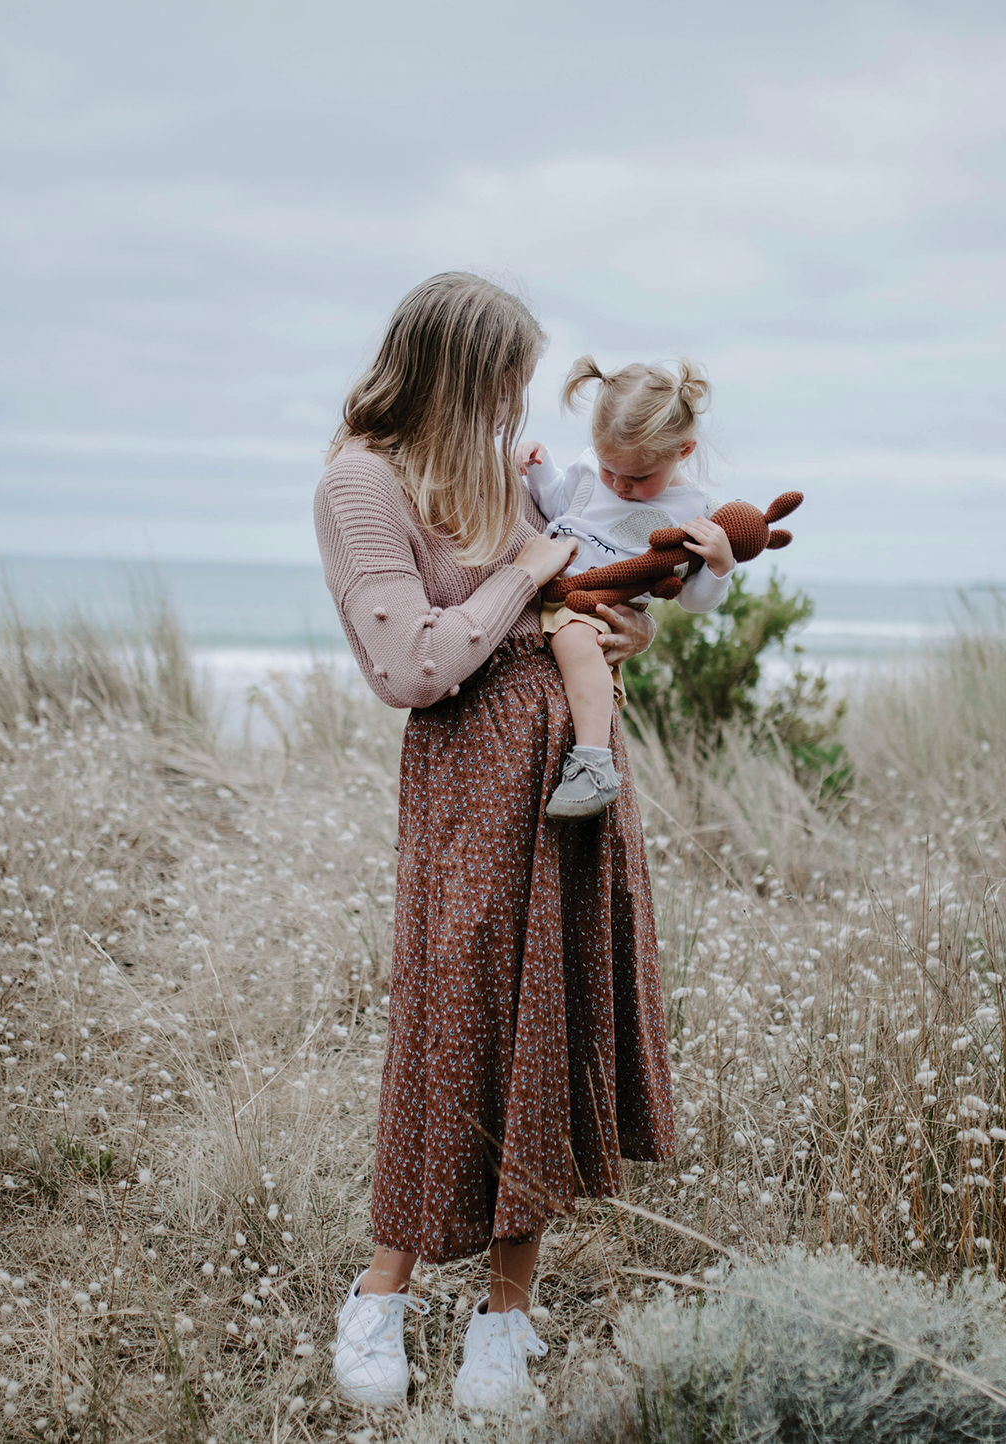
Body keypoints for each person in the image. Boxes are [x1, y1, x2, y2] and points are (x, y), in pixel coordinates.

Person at [312, 274, 678, 1412]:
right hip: (468, 785)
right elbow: (413, 663)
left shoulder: (498, 471)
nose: (516, 405)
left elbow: (572, 605)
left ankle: (506, 1315)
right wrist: (528, 571)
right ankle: (382, 1291)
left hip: (571, 778)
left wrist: (621, 623)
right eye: (502, 381)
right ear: (454, 372)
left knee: (545, 1023)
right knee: (452, 1019)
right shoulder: (359, 483)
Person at [518, 357, 737, 819]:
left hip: (599, 605)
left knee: (578, 637)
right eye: (608, 470)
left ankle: (594, 762)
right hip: (552, 581)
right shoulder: (588, 471)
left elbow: (693, 601)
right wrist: (540, 467)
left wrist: (719, 566)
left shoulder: (692, 513)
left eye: (638, 479)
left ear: (683, 450)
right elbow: (560, 504)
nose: (619, 486)